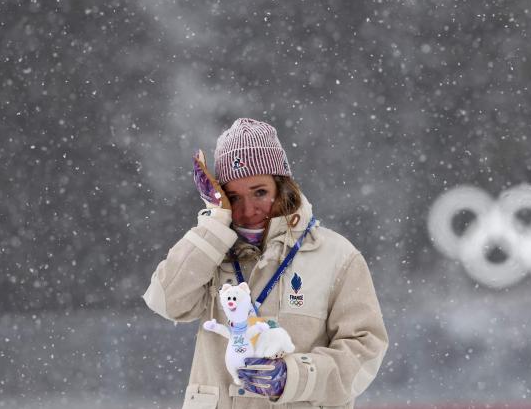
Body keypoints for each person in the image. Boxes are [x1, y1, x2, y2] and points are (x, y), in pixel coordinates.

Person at [143, 118, 388, 409]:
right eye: (233, 197)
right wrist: (215, 222)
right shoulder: (210, 250)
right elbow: (165, 301)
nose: (247, 210)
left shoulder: (337, 255)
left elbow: (365, 349)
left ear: (283, 187)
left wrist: (294, 376)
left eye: (260, 192)